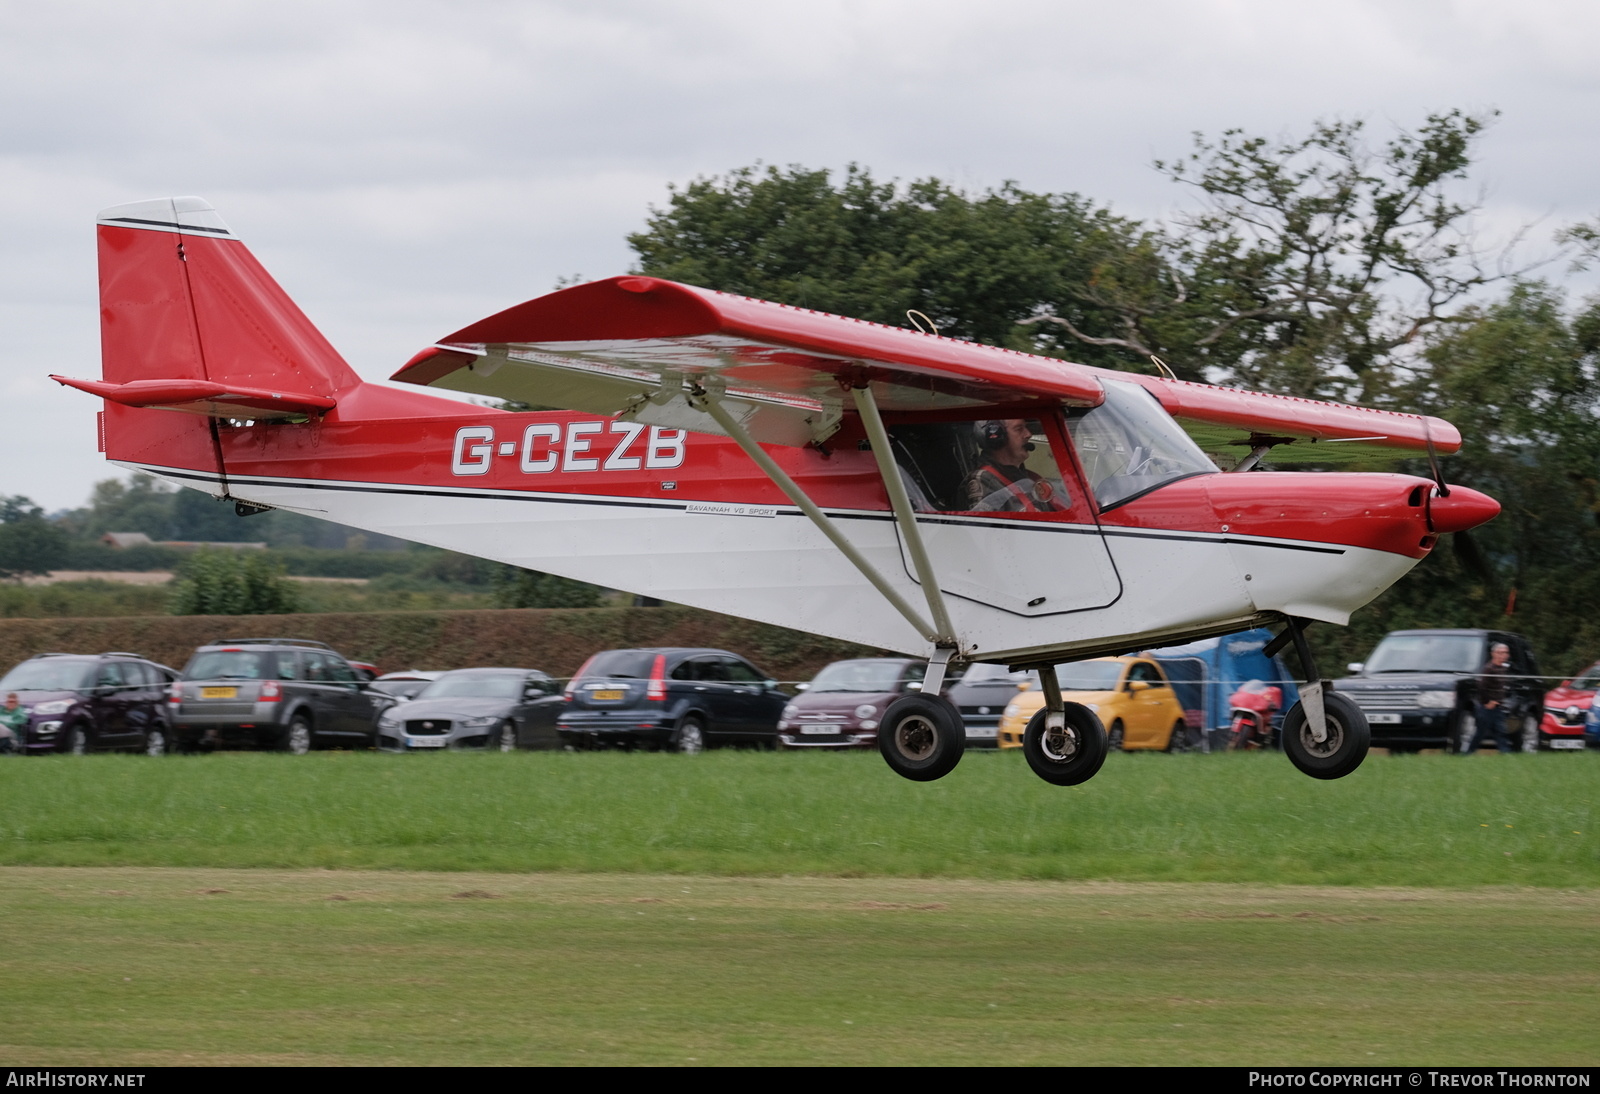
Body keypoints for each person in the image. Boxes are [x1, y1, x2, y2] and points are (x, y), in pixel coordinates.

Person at [964, 420, 1068, 512]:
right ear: (997, 438)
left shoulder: (1030, 478)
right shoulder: (982, 480)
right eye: (1019, 429)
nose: (1028, 434)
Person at [1470, 643, 1513, 753]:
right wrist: (1488, 702)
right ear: (1493, 654)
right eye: (1500, 653)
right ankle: (1468, 753)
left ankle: (1506, 754)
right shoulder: (1489, 669)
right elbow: (1481, 687)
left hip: (1498, 707)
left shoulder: (1502, 669)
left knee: (1501, 732)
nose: (1503, 655)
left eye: (1505, 653)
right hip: (1487, 708)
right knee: (1480, 733)